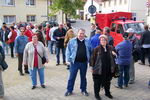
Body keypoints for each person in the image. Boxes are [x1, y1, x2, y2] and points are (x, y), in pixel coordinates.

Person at [65, 28, 90, 96]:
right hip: (74, 63)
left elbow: (90, 51)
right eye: (80, 33)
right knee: (72, 77)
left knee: (83, 77)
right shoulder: (72, 41)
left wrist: (91, 61)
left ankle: (83, 90)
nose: (81, 35)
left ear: (84, 34)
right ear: (77, 33)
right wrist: (67, 60)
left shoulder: (88, 41)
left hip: (84, 63)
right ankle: (69, 90)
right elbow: (68, 51)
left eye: (83, 33)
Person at [90, 35, 115, 100]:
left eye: (104, 40)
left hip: (108, 69)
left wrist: (115, 54)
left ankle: (107, 93)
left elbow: (116, 55)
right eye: (101, 40)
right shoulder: (96, 49)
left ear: (106, 41)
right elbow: (92, 59)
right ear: (100, 41)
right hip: (98, 69)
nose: (103, 41)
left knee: (107, 82)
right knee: (97, 83)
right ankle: (97, 94)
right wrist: (91, 67)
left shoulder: (110, 48)